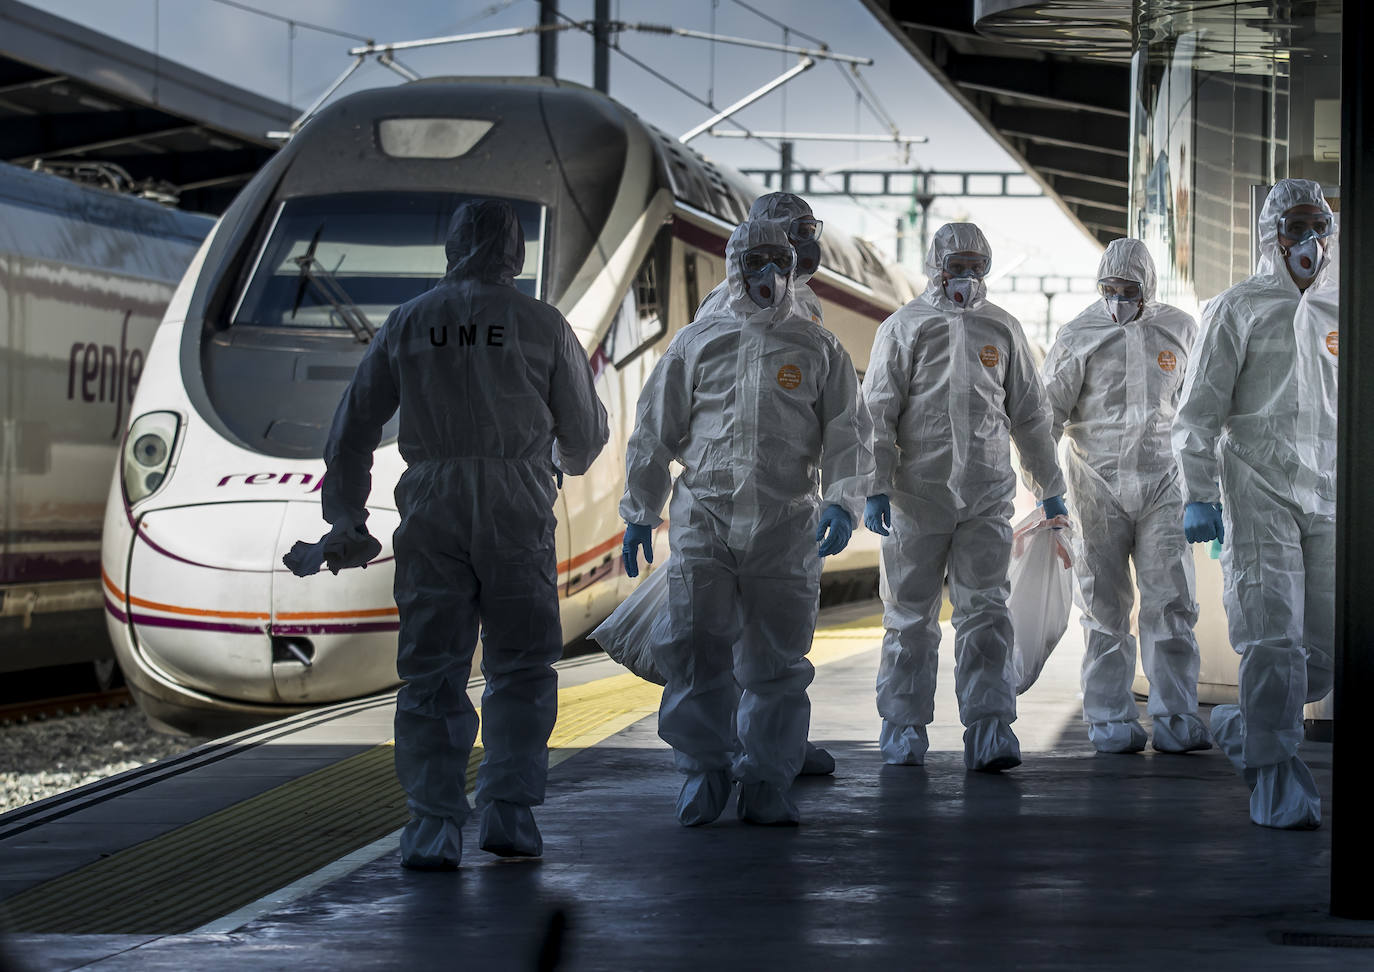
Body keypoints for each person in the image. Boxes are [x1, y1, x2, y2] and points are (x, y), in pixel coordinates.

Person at [283, 198, 609, 868]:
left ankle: (432, 828)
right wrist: (553, 460)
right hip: (517, 504)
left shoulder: (409, 321)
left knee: (431, 669)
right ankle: (509, 814)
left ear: (451, 248)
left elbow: (350, 432)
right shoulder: (540, 324)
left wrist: (345, 517)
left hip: (431, 503)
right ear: (515, 253)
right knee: (521, 664)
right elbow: (583, 437)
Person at [619, 217, 872, 827]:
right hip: (705, 520)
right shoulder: (696, 343)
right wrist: (639, 512)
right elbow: (654, 432)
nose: (767, 275)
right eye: (754, 262)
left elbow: (848, 431)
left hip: (787, 529)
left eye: (776, 262)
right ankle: (703, 773)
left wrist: (842, 499)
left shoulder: (817, 347)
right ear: (734, 267)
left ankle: (766, 779)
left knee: (778, 663)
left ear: (792, 269)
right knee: (698, 652)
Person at [863, 222, 1066, 772]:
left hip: (984, 499)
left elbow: (1030, 416)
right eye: (958, 265)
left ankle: (991, 729)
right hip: (915, 499)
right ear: (937, 266)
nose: (967, 277)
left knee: (986, 613)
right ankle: (903, 728)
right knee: (909, 619)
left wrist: (1051, 489)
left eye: (977, 266)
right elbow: (878, 413)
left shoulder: (1001, 328)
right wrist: (876, 488)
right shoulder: (904, 328)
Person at [1173, 178, 1337, 829]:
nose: (1310, 241)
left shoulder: (1340, 311)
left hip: (1327, 500)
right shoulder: (1235, 308)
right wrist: (1199, 495)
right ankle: (1275, 785)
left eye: (1318, 226)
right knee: (1272, 643)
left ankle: (1245, 720)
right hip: (1257, 496)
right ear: (1271, 234)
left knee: (1322, 654)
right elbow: (1198, 414)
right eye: (1296, 226)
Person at [1041, 238, 1210, 755]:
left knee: (1172, 602)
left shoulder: (1179, 330)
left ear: (1147, 287)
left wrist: (1207, 489)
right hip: (1097, 484)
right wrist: (1047, 493)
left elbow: (1198, 412)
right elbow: (1044, 416)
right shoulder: (1077, 336)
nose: (1117, 299)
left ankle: (1176, 716)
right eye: (1108, 289)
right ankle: (1110, 717)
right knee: (1103, 604)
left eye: (1127, 290)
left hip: (1165, 483)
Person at [695, 190, 834, 777]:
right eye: (797, 230)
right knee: (728, 640)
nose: (809, 242)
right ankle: (732, 756)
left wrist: (841, 493)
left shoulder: (806, 310)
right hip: (731, 499)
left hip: (785, 502)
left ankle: (778, 748)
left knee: (778, 639)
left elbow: (831, 411)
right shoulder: (720, 310)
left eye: (810, 229)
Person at [696, 191, 825, 324]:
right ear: (775, 233)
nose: (808, 242)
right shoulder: (725, 305)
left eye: (812, 232)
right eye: (802, 232)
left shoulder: (805, 300)